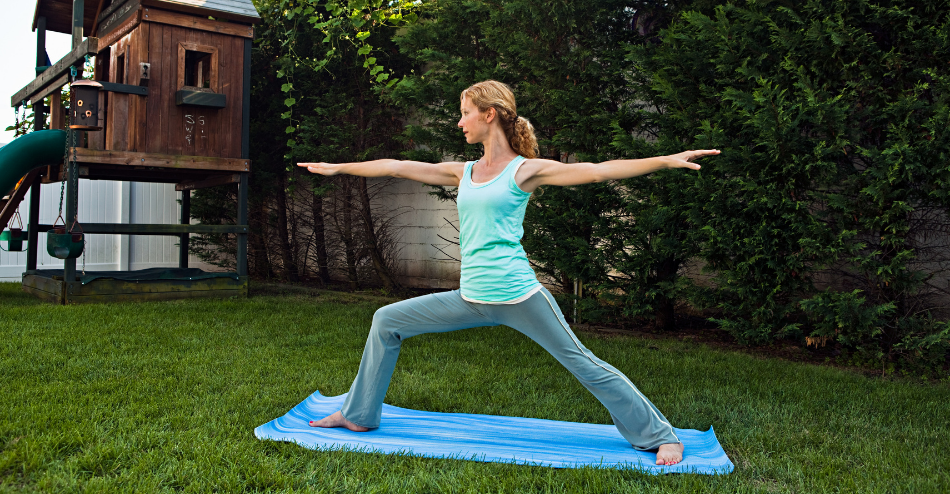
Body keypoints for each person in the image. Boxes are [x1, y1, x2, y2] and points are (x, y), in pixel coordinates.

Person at [297, 80, 719, 466]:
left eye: (465, 113)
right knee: (386, 321)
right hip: (471, 298)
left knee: (583, 363)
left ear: (490, 114)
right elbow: (395, 165)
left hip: (519, 297)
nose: (459, 122)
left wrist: (665, 160)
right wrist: (338, 169)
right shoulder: (461, 172)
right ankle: (358, 415)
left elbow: (597, 170)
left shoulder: (524, 171)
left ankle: (662, 435)